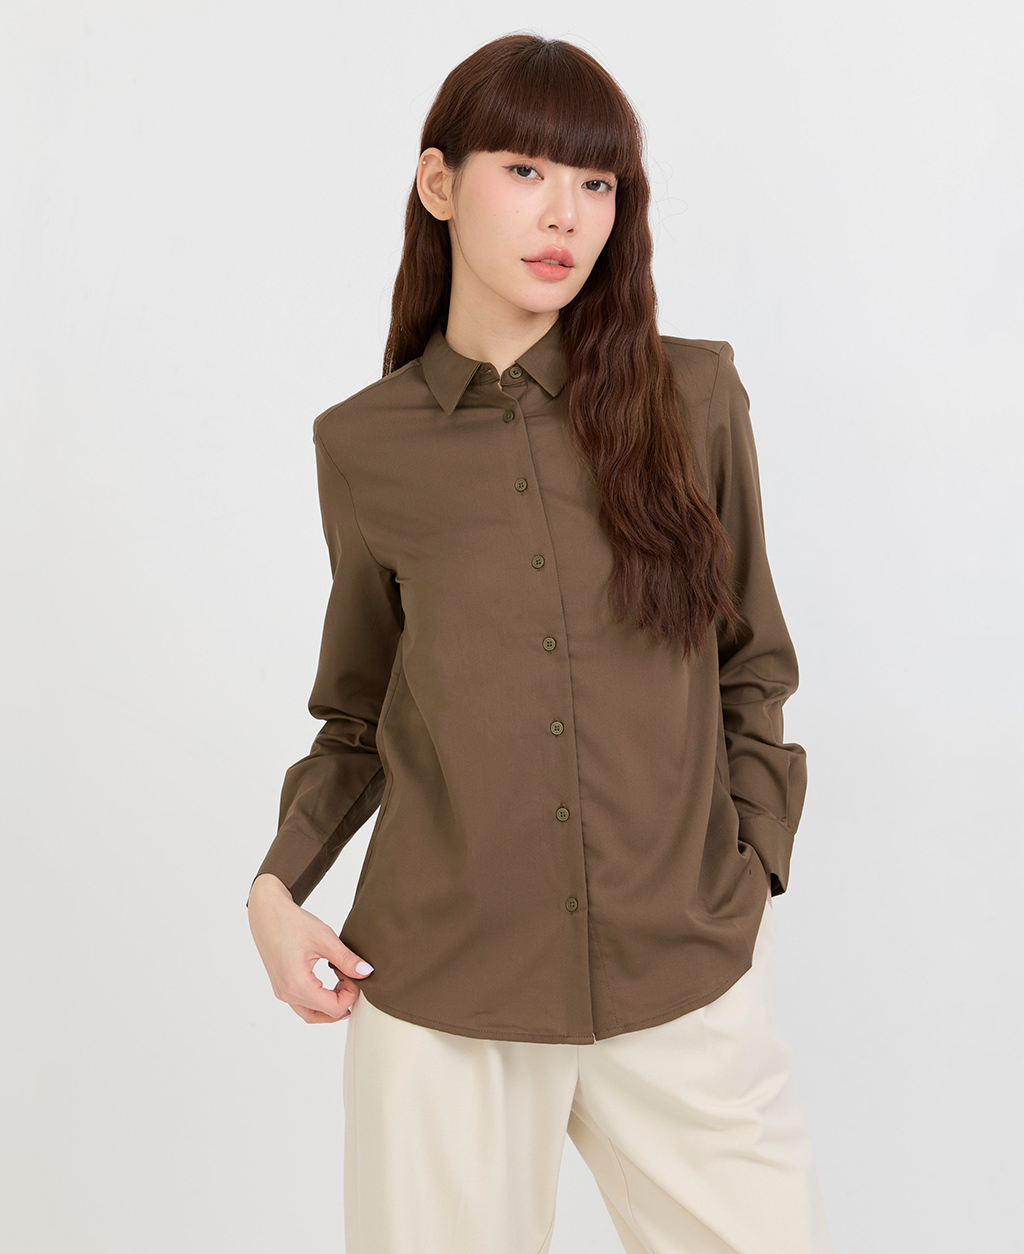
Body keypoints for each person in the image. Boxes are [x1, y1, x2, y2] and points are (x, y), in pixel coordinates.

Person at [247, 31, 835, 1254]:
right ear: (439, 184)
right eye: (525, 170)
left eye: (596, 182)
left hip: (681, 970)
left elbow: (751, 662)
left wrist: (751, 866)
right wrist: (276, 886)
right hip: (442, 995)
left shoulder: (692, 399)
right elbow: (360, 711)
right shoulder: (364, 446)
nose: (566, 213)